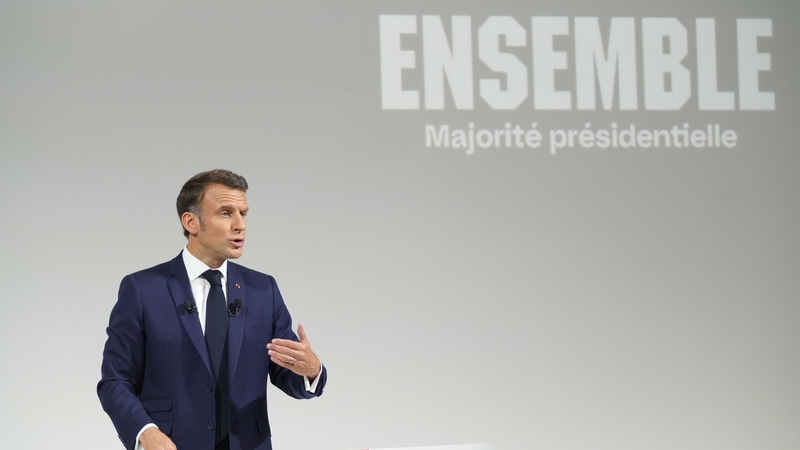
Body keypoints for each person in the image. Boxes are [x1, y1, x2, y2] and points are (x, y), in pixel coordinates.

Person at [98, 169, 326, 450]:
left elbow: (288, 374)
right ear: (191, 222)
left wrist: (311, 370)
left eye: (243, 213)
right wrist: (147, 433)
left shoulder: (263, 290)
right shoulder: (143, 290)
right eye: (226, 213)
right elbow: (115, 380)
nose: (240, 225)